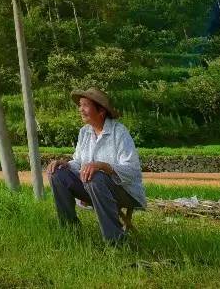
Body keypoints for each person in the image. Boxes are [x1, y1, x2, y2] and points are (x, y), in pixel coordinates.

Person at [44, 87, 145, 245]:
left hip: (125, 191)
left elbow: (132, 171)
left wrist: (103, 166)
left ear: (101, 111)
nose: (80, 109)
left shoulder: (119, 133)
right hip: (92, 186)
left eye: (85, 105)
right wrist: (65, 164)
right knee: (57, 173)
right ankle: (70, 232)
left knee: (95, 175)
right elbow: (78, 162)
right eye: (80, 105)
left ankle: (115, 240)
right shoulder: (84, 132)